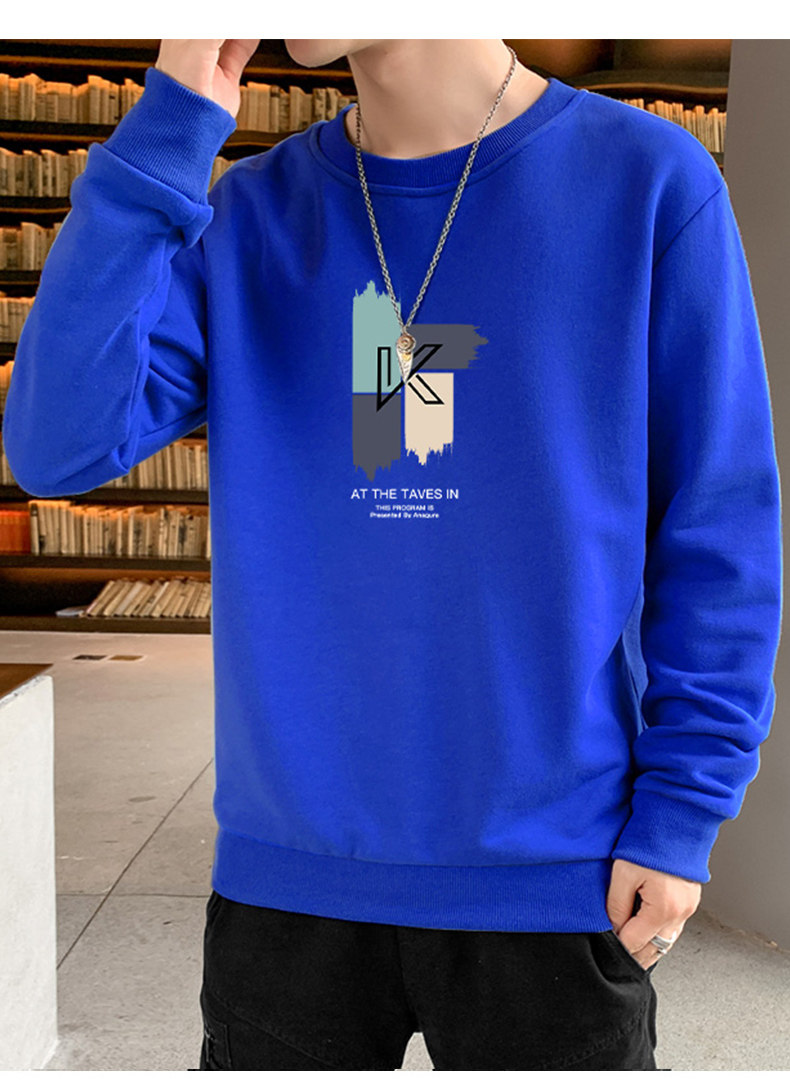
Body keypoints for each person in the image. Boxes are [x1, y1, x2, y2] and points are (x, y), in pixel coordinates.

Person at [3, 38, 781, 1071]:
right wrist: (168, 130)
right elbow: (55, 445)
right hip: (289, 875)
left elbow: (718, 527)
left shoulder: (644, 178)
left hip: (554, 867)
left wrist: (683, 810)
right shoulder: (249, 212)